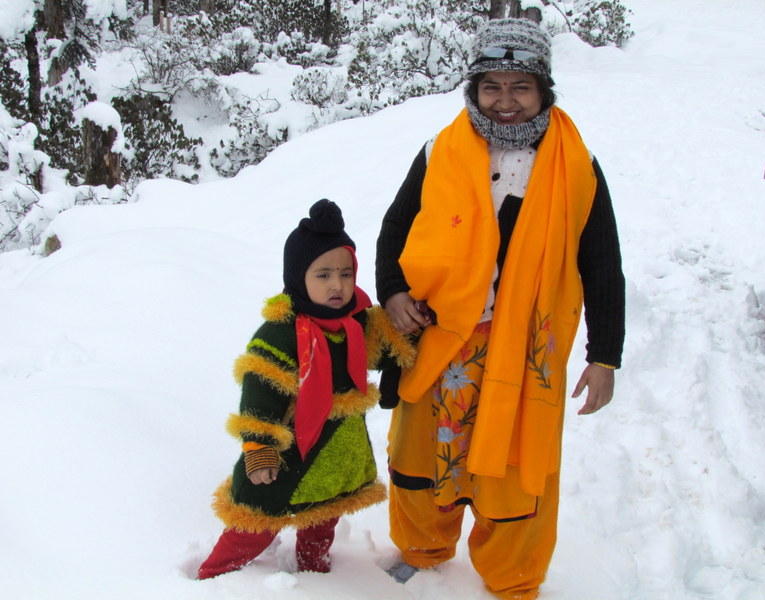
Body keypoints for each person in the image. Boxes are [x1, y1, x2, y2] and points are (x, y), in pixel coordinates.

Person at [375, 18, 625, 600]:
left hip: (522, 344)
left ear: (544, 91)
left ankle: (512, 574)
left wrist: (605, 355)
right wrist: (393, 293)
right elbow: (396, 227)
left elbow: (602, 265)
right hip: (438, 336)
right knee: (423, 451)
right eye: (493, 86)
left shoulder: (574, 166)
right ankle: (423, 548)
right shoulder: (442, 150)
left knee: (513, 468)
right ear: (474, 88)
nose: (505, 101)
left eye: (521, 87)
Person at [197, 199, 415, 580]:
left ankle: (315, 572)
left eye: (346, 274)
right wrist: (259, 446)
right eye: (324, 275)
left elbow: (388, 348)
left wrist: (411, 325)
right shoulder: (282, 334)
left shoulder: (357, 322)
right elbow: (260, 392)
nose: (338, 285)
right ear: (299, 277)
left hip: (338, 452)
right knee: (258, 520)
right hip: (289, 454)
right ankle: (213, 575)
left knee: (323, 516)